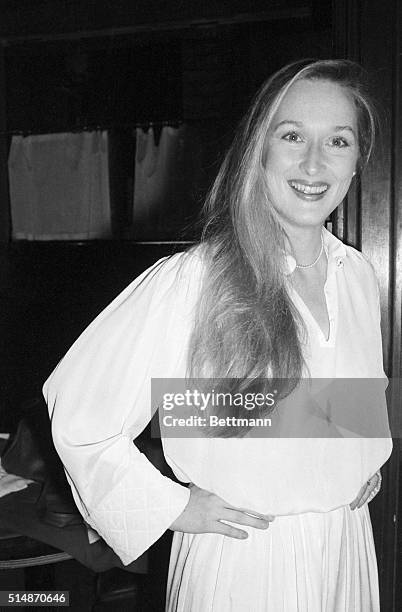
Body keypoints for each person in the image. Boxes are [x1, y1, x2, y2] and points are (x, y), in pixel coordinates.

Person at [43, 59, 392, 611]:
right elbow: (81, 418)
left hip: (347, 545)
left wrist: (358, 460)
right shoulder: (193, 281)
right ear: (260, 150)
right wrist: (170, 507)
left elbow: (306, 405)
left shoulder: (357, 277)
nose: (313, 162)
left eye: (339, 141)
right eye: (292, 135)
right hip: (243, 555)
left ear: (357, 161)